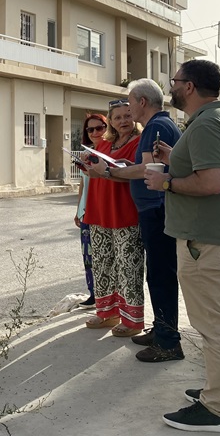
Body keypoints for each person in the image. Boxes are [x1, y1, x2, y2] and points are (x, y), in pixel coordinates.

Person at [145, 60, 220, 432]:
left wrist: (166, 184)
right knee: (218, 321)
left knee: (213, 326)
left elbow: (212, 182)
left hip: (205, 242)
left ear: (188, 87)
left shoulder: (206, 124)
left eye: (174, 81)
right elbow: (207, 168)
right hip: (216, 239)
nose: (170, 87)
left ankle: (216, 409)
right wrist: (173, 160)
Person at [89, 78, 184, 362]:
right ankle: (162, 330)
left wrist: (109, 172)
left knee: (161, 276)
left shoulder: (155, 126)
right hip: (155, 209)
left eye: (130, 103)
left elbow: (146, 169)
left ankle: (168, 341)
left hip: (156, 209)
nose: (128, 111)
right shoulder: (160, 125)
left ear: (142, 102)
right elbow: (147, 166)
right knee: (156, 274)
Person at [82, 99, 144, 337]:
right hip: (99, 210)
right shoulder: (106, 143)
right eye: (117, 117)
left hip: (124, 211)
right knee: (102, 263)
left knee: (128, 267)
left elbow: (135, 172)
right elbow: (99, 172)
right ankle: (107, 312)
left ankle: (132, 320)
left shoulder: (139, 143)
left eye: (127, 116)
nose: (123, 121)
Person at [73, 112, 108, 308]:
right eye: (90, 129)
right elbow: (83, 184)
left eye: (99, 128)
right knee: (88, 255)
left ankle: (107, 298)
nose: (95, 132)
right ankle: (94, 294)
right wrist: (79, 210)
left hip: (102, 211)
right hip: (86, 211)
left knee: (103, 256)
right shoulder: (87, 154)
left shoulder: (108, 153)